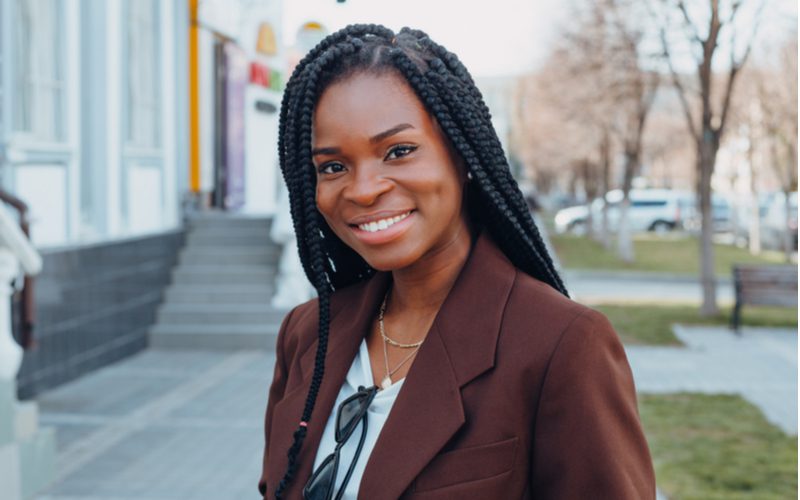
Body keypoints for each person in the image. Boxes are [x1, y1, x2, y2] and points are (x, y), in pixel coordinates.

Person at [259, 24, 655, 499]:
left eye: (398, 151)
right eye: (333, 166)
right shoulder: (307, 336)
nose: (363, 189)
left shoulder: (560, 346)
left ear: (463, 155)